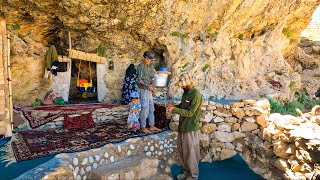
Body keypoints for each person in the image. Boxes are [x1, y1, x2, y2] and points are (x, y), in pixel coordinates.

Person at [167, 73, 203, 180]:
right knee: (182, 152)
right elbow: (183, 106)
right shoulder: (185, 93)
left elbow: (190, 113)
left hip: (190, 128)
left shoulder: (196, 95)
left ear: (188, 82)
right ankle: (186, 173)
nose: (181, 86)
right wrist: (174, 106)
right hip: (183, 127)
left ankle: (193, 176)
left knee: (191, 154)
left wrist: (175, 110)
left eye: (182, 84)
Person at [136, 51, 161, 133]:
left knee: (151, 107)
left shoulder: (149, 65)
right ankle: (143, 127)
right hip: (143, 90)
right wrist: (147, 86)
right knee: (144, 108)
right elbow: (139, 80)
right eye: (148, 59)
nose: (150, 61)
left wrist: (156, 76)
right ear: (144, 58)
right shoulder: (140, 67)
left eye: (150, 60)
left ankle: (151, 125)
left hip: (149, 89)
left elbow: (152, 75)